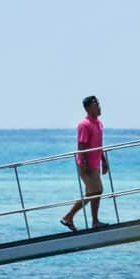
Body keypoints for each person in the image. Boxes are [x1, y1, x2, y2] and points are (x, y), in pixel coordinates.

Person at [61, 94, 108, 232]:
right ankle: (92, 221)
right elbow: (81, 145)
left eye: (98, 103)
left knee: (92, 192)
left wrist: (104, 161)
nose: (99, 106)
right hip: (86, 163)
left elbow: (99, 144)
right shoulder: (84, 124)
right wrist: (85, 164)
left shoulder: (98, 123)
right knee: (97, 191)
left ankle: (69, 217)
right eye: (95, 104)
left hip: (95, 163)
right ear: (88, 108)